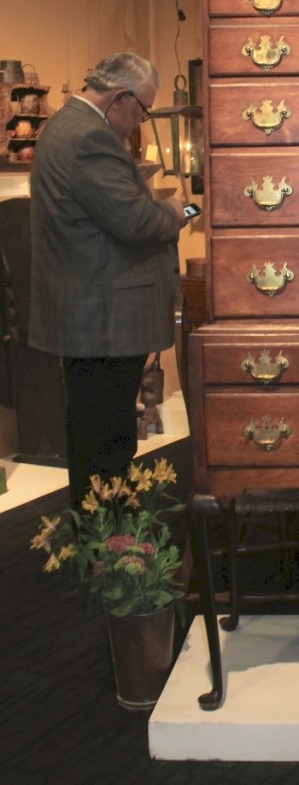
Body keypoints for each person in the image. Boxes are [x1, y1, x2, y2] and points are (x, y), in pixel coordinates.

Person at [29, 53, 186, 506]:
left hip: (92, 315)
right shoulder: (89, 138)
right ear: (121, 97)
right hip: (105, 320)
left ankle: (101, 547)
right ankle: (108, 553)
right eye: (143, 111)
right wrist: (181, 210)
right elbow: (137, 223)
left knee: (96, 438)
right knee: (107, 443)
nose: (140, 121)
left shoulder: (66, 128)